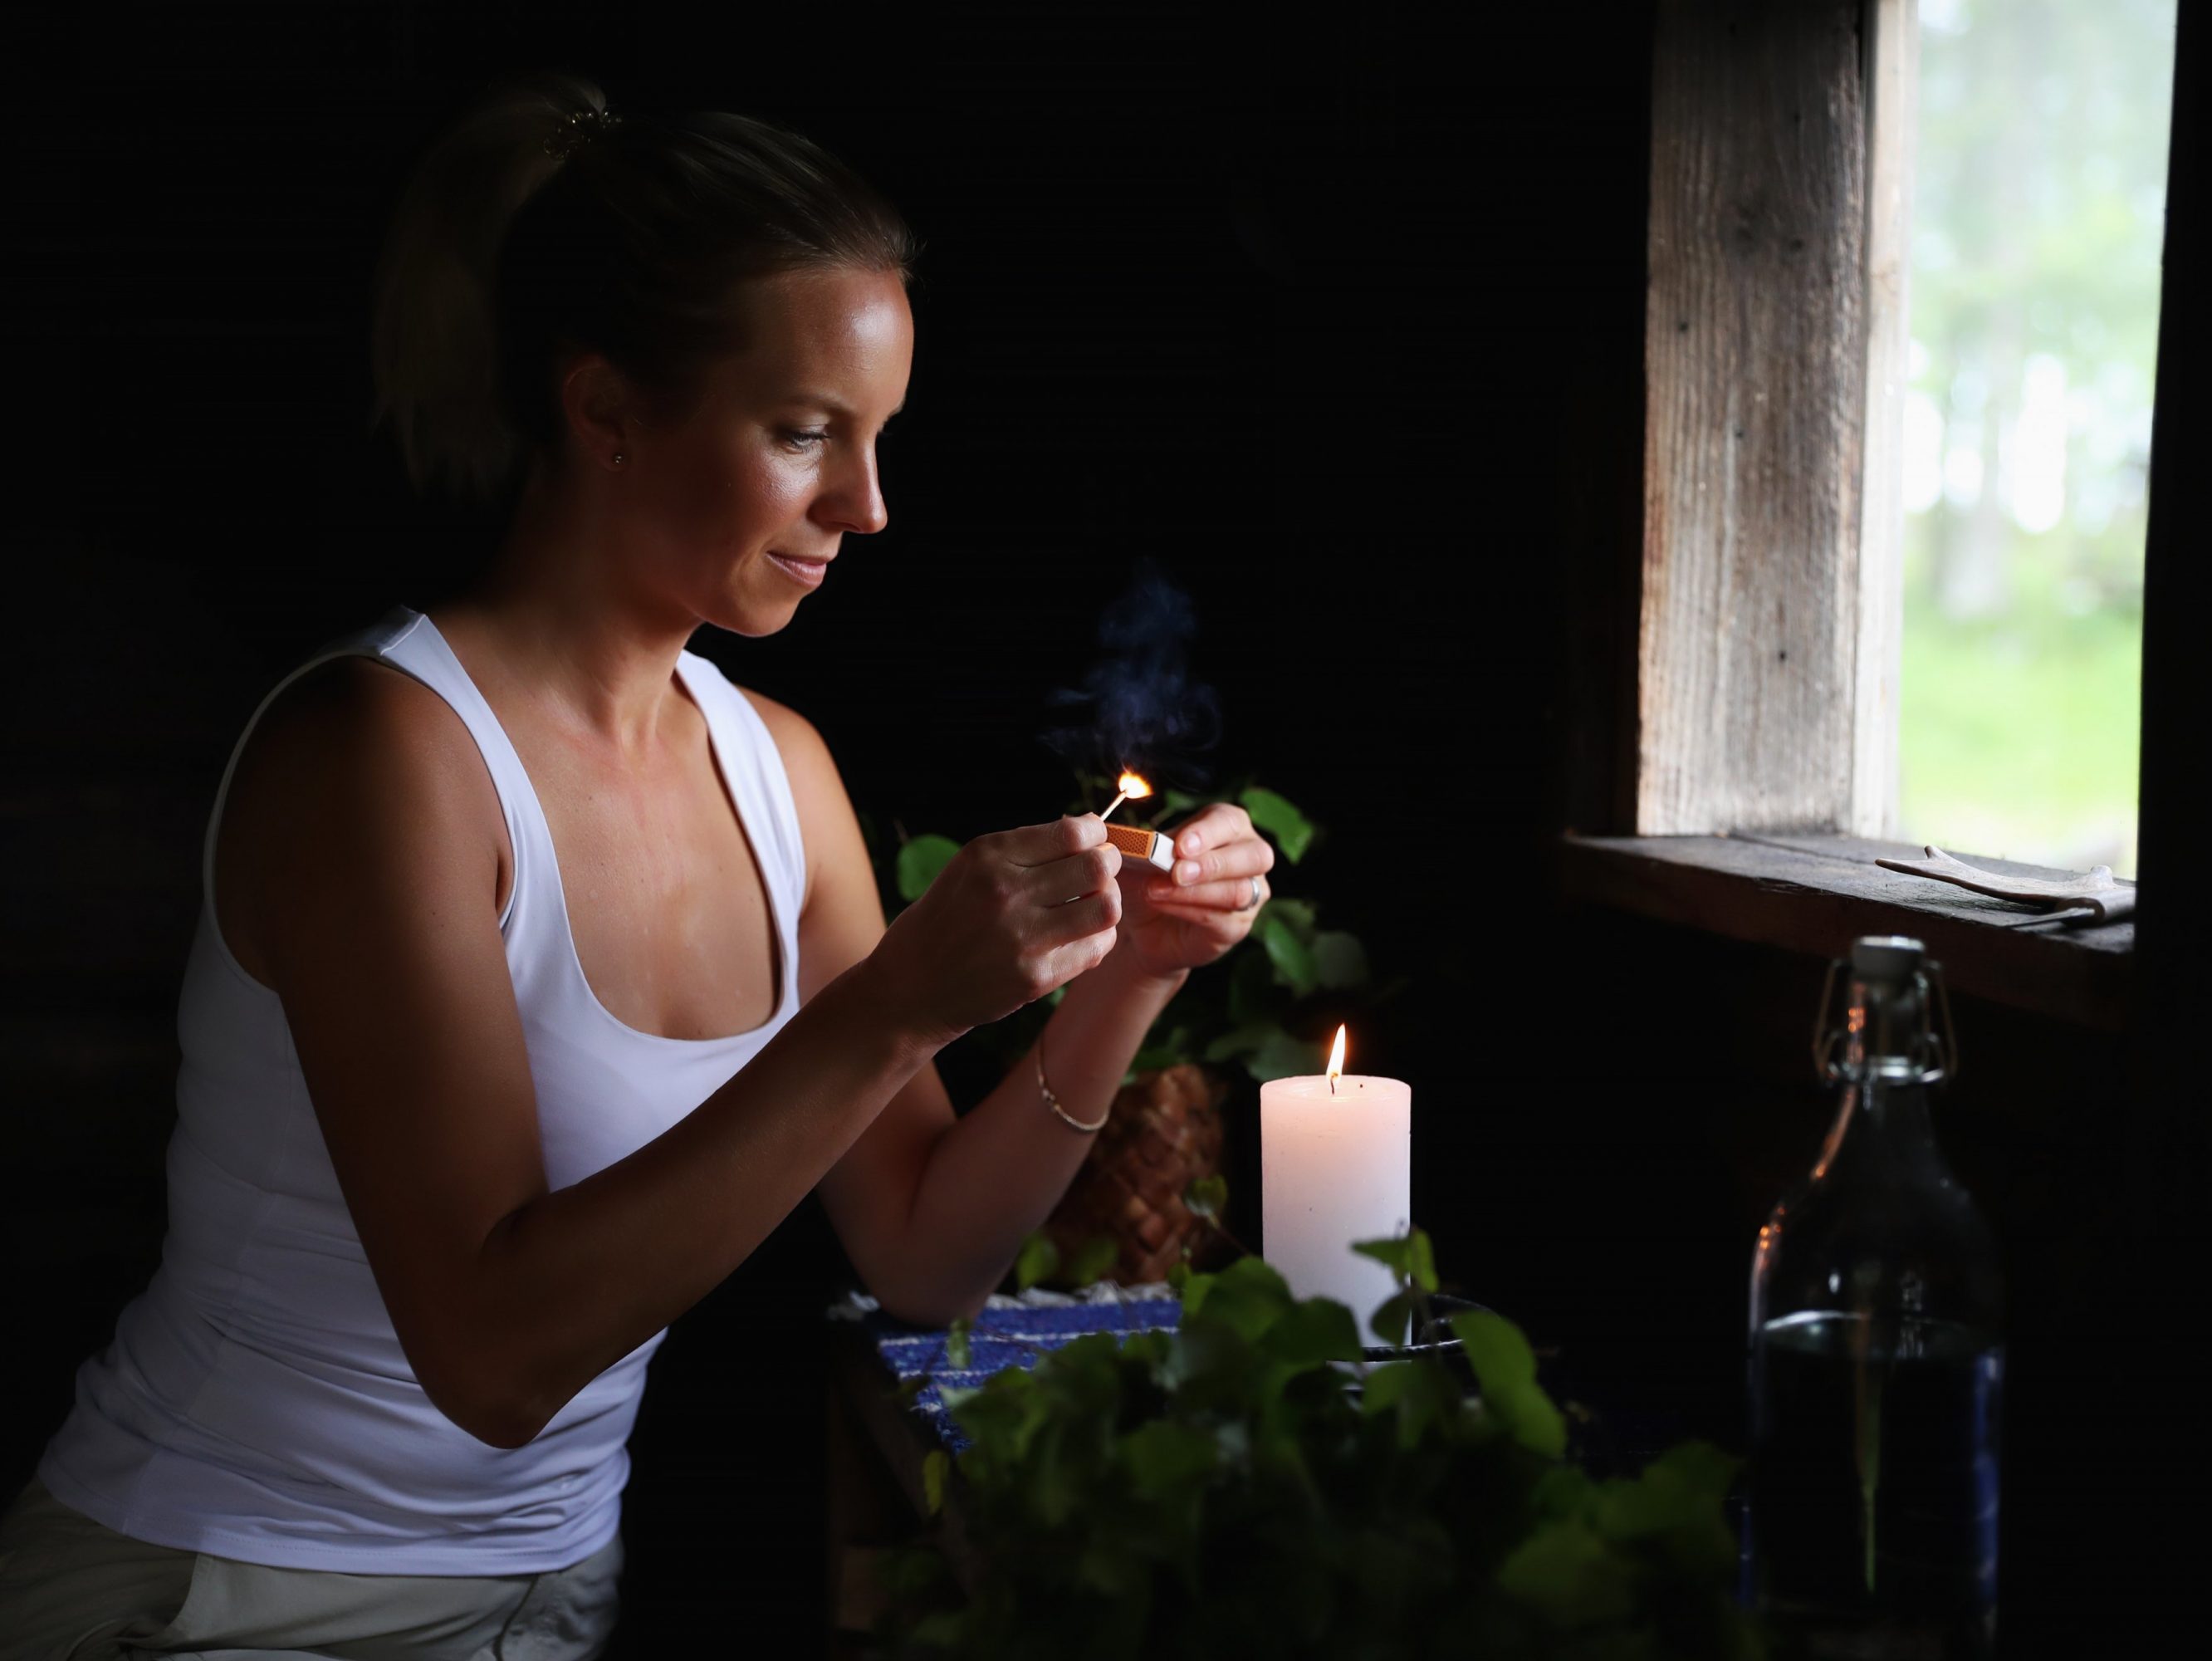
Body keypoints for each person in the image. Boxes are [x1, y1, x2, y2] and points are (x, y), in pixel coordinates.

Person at [0, 73, 1274, 1659]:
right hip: (217, 1591)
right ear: (604, 410)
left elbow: (929, 1257)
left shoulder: (779, 768)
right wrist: (890, 1011)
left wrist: (1131, 977)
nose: (866, 508)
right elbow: (493, 1355)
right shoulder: (384, 754)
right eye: (806, 433)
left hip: (551, 1598)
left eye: (880, 439)